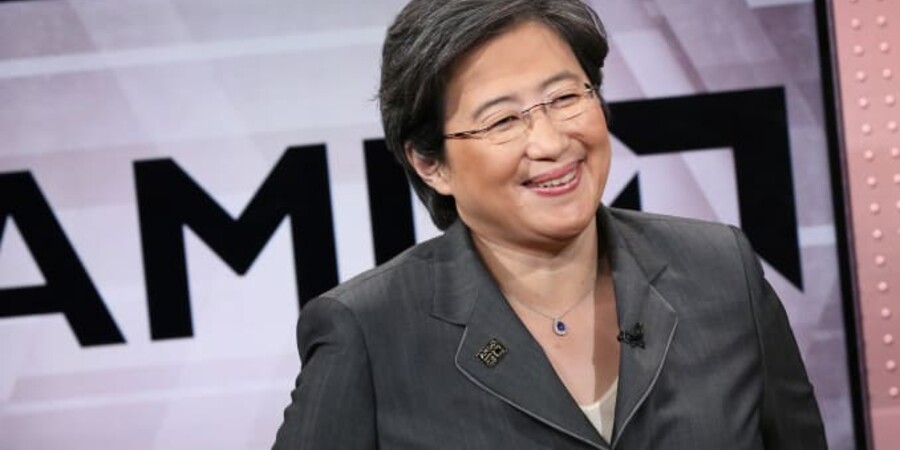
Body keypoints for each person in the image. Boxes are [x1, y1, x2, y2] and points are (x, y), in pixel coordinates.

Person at [273, 0, 827, 448]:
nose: (551, 141)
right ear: (430, 163)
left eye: (564, 97)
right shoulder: (369, 333)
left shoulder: (720, 269)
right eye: (502, 121)